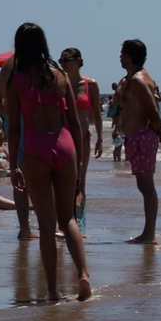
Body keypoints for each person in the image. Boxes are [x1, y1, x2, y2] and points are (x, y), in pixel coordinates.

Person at [3, 23, 90, 300]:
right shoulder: (60, 76)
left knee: (46, 225)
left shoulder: (16, 81)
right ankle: (83, 275)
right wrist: (79, 162)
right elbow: (74, 122)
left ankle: (53, 290)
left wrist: (13, 166)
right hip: (64, 146)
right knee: (68, 218)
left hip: (35, 149)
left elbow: (13, 129)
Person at [117, 38, 161, 244]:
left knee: (147, 187)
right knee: (144, 186)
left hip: (142, 136)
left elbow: (153, 109)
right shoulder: (134, 78)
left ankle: (149, 234)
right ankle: (148, 233)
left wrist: (160, 133)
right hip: (136, 136)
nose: (120, 57)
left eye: (122, 54)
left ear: (129, 57)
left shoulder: (138, 80)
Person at [58, 49, 105, 215]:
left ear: (78, 60)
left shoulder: (90, 84)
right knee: (62, 180)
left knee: (80, 181)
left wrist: (100, 139)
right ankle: (64, 218)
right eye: (61, 61)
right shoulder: (59, 83)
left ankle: (79, 220)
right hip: (62, 139)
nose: (63, 64)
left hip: (83, 139)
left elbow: (97, 114)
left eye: (66, 60)